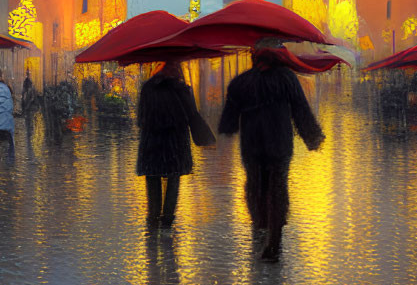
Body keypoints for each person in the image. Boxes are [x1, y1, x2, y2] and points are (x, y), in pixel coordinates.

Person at [219, 40, 325, 261]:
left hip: (252, 145)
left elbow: (229, 120)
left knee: (256, 186)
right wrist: (312, 137)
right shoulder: (286, 78)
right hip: (279, 143)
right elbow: (300, 109)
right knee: (277, 188)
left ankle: (260, 225)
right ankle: (274, 240)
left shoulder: (241, 82)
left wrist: (225, 130)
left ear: (254, 57)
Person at [136, 60, 213, 228]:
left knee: (153, 178)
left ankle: (153, 219)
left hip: (152, 141)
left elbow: (140, 118)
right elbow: (191, 115)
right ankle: (167, 220)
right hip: (175, 142)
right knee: (173, 178)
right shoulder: (181, 89)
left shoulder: (148, 88)